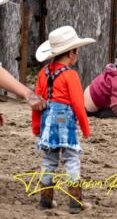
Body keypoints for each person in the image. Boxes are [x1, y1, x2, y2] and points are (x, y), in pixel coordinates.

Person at [32, 26, 94, 213]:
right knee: (71, 159)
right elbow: (77, 104)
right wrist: (85, 128)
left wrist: (36, 127)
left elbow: (36, 102)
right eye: (77, 51)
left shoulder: (43, 73)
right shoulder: (71, 75)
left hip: (47, 122)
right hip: (64, 122)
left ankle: (45, 200)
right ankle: (75, 202)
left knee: (49, 160)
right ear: (71, 53)